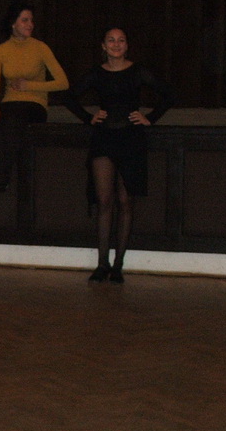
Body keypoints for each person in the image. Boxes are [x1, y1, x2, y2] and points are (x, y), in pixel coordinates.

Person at [63, 27, 176, 283]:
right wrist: (88, 117)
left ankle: (118, 265)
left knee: (125, 202)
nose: (116, 44)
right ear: (103, 45)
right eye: (111, 40)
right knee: (104, 201)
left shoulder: (138, 71)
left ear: (127, 45)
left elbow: (169, 94)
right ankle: (102, 263)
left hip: (131, 139)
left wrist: (150, 118)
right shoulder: (96, 73)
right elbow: (68, 97)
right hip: (104, 138)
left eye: (121, 40)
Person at [0, 2, 69, 197]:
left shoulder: (40, 48)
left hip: (34, 104)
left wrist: (29, 86)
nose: (30, 24)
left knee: (13, 120)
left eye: (31, 20)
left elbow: (63, 83)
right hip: (10, 103)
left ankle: (1, 179)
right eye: (25, 20)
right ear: (13, 23)